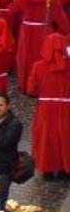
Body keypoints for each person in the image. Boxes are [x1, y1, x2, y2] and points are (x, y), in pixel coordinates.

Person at [28, 32, 70, 177]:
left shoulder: (38, 66)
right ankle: (65, 168)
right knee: (65, 138)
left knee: (46, 138)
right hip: (66, 108)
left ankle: (47, 170)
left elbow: (31, 89)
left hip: (46, 108)